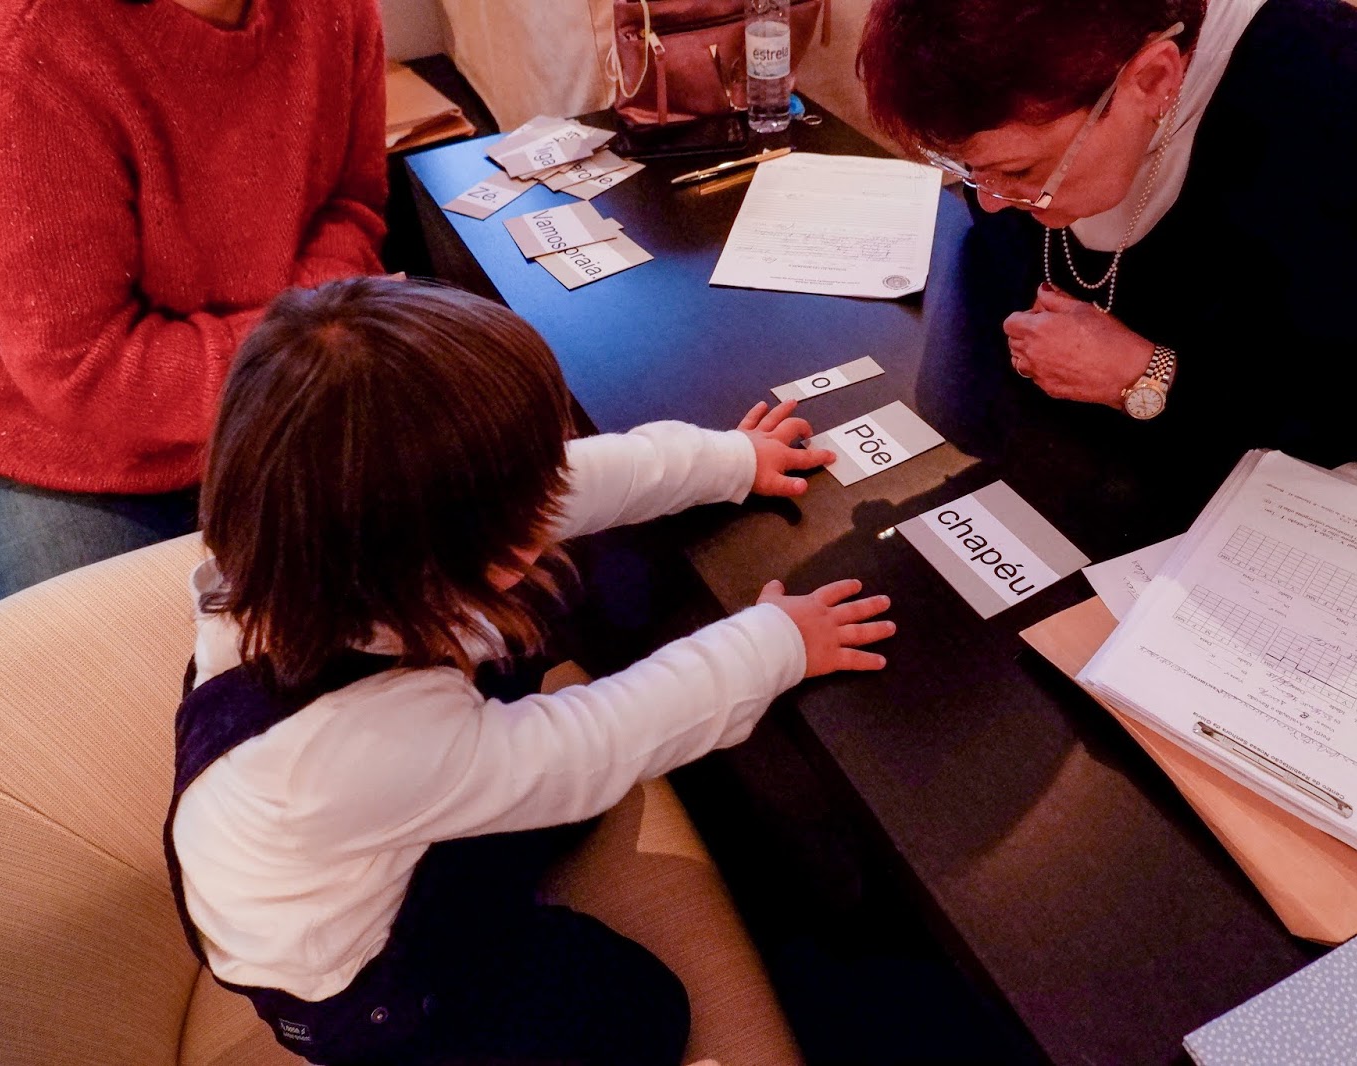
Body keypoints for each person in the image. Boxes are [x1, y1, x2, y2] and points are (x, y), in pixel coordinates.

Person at [166, 277, 894, 1065]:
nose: (551, 497)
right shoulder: (357, 745)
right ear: (439, 551)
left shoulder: (316, 544)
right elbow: (597, 743)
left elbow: (565, 481)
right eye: (523, 508)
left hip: (374, 825)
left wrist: (730, 460)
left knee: (538, 723)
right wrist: (775, 643)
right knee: (644, 1009)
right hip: (371, 992)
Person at [858, 0, 1357, 466]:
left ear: (1153, 79)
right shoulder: (1012, 97)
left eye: (1019, 173)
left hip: (1237, 487)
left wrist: (1147, 374)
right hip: (1066, 462)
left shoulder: (1330, 90)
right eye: (969, 172)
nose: (991, 203)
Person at [0, 0, 387, 608]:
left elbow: (351, 204)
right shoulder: (15, 54)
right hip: (56, 449)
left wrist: (315, 341)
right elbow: (84, 370)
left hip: (286, 387)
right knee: (149, 665)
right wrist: (311, 343)